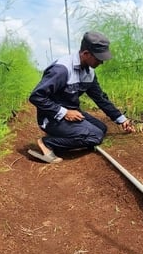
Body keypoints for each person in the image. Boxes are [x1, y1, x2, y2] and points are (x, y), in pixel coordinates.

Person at [27, 31, 135, 164]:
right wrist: (64, 112)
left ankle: (64, 135)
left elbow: (100, 98)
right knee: (95, 136)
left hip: (72, 111)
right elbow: (36, 96)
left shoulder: (89, 72)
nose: (101, 62)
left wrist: (121, 119)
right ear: (85, 54)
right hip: (51, 117)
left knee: (101, 129)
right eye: (98, 58)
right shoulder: (62, 70)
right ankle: (47, 143)